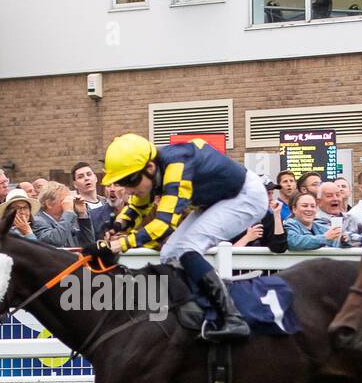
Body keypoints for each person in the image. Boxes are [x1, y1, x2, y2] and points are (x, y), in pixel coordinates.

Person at [100, 134, 266, 341]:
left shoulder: (176, 167)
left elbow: (163, 225)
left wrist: (120, 245)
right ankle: (194, 310)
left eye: (129, 181)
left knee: (188, 248)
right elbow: (138, 205)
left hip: (245, 195)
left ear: (150, 168)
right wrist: (118, 225)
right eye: (121, 182)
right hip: (217, 199)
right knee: (169, 253)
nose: (128, 188)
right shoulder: (153, 170)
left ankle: (232, 318)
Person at [33, 180, 95, 248]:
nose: (69, 204)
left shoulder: (67, 218)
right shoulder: (37, 221)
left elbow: (89, 242)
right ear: (49, 204)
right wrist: (68, 212)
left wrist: (82, 214)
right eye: (65, 201)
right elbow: (56, 240)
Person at [231, 183, 287, 252]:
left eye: (272, 193)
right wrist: (247, 238)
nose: (271, 198)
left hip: (265, 262)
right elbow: (223, 253)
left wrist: (277, 215)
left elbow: (279, 248)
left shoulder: (270, 217)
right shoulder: (233, 218)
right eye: (268, 194)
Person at [72, 162, 113, 236]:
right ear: (75, 184)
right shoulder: (74, 208)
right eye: (80, 177)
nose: (86, 178)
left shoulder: (108, 203)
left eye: (89, 174)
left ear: (96, 178)